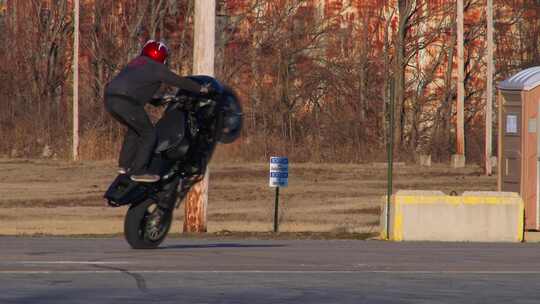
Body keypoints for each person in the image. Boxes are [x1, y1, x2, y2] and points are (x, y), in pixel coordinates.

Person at [104, 40, 212, 183]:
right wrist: (201, 89)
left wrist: (160, 100)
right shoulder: (156, 67)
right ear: (162, 56)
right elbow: (178, 81)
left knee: (135, 130)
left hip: (110, 99)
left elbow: (137, 89)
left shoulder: (136, 63)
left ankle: (125, 166)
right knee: (149, 133)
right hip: (126, 102)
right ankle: (139, 171)